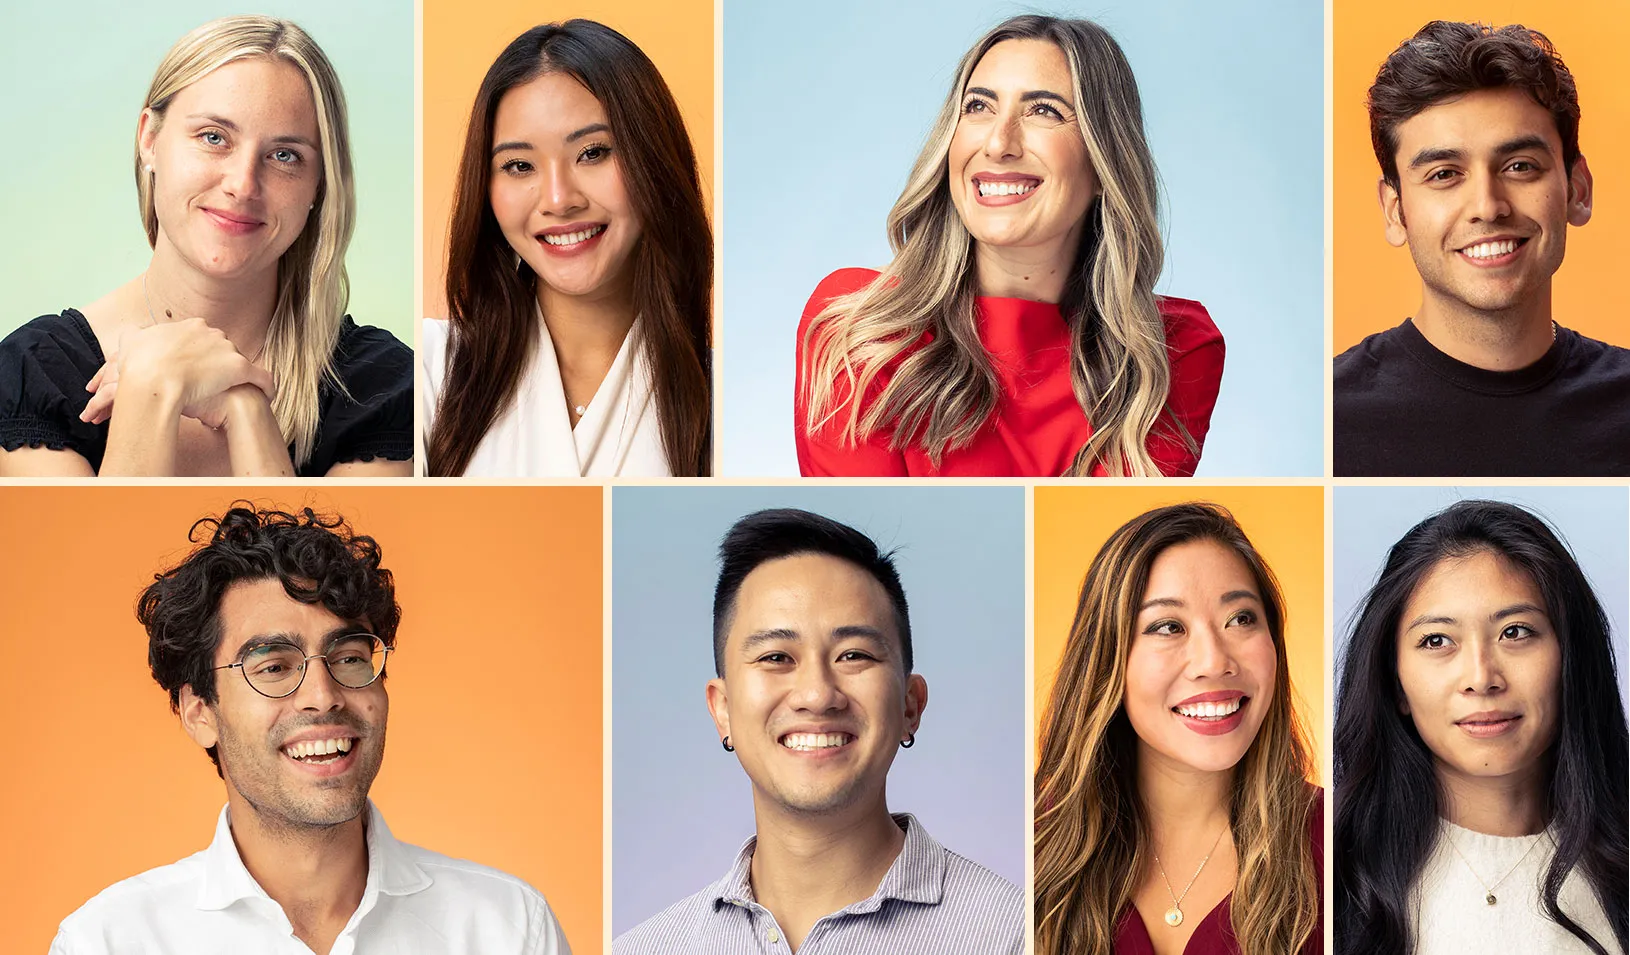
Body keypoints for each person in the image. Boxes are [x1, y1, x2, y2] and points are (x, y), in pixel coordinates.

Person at [50, 505, 570, 954]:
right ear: (199, 711)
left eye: (348, 658)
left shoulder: (509, 929)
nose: (323, 696)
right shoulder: (107, 942)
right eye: (273, 667)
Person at [794, 14, 1223, 478]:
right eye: (978, 106)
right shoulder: (861, 324)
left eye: (1044, 111)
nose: (999, 143)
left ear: (1104, 165)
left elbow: (1094, 530)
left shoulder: (1172, 351)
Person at [0, 16, 412, 478]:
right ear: (149, 141)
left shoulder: (384, 388)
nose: (242, 184)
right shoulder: (31, 374)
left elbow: (308, 555)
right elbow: (99, 553)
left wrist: (246, 408)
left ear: (319, 184)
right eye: (214, 137)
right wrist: (152, 386)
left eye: (284, 156)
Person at [614, 508, 1022, 954]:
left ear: (911, 704)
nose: (817, 694)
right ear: (723, 709)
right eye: (775, 657)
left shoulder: (1017, 934)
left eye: (853, 655)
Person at [1334, 21, 1630, 476]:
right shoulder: (1330, 421)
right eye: (1444, 174)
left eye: (1519, 166)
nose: (1488, 207)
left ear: (1577, 189)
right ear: (1396, 212)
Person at [1334, 500, 1627, 954]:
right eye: (1437, 640)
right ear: (1395, 683)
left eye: (1515, 632)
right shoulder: (1330, 876)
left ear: (1572, 656)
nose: (1481, 678)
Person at [423, 20, 711, 477]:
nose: (559, 200)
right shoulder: (431, 368)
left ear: (653, 159)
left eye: (593, 153)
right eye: (519, 165)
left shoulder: (718, 394)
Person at [1034, 503, 1322, 955]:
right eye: (1168, 626)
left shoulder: (1340, 840)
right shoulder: (1033, 841)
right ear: (1107, 658)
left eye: (1241, 619)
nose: (1213, 662)